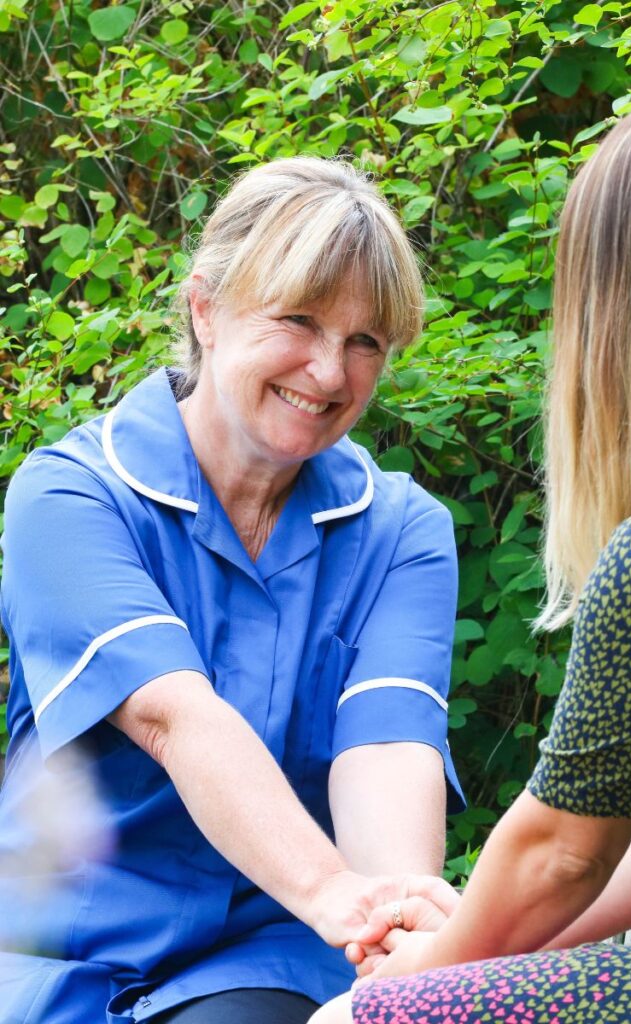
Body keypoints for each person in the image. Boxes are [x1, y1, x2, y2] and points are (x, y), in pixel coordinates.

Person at [0, 157, 465, 1024]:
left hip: (265, 953)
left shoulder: (402, 531)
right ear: (204, 308)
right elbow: (175, 718)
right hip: (53, 953)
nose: (329, 373)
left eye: (364, 341)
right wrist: (338, 894)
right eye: (298, 320)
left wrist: (396, 931)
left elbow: (386, 749)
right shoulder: (68, 496)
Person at [310, 100, 631, 1024]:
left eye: (364, 340)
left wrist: (407, 985)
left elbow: (561, 851)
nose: (330, 374)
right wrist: (460, 949)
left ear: (621, 304)